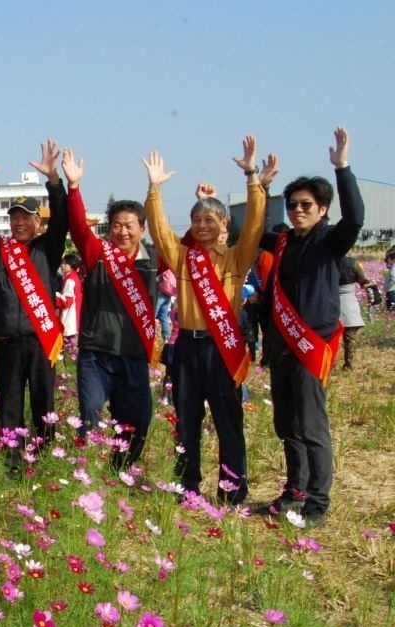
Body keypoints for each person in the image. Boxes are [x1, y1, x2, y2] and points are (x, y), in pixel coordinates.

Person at [143, 135, 275, 505]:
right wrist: (154, 189)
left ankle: (231, 490)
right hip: (186, 347)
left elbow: (254, 225)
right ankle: (187, 486)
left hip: (221, 349)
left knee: (228, 421)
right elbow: (158, 231)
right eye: (196, 219)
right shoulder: (183, 256)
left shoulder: (236, 257)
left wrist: (252, 178)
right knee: (186, 421)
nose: (202, 225)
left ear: (223, 224)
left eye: (210, 219)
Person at [258, 127, 363, 527]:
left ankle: (317, 500)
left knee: (311, 424)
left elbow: (355, 217)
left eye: (305, 204)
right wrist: (258, 183)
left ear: (321, 209)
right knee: (286, 423)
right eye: (291, 205)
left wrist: (342, 168)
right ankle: (294, 491)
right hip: (281, 347)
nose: (297, 210)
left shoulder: (330, 242)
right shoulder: (284, 242)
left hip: (311, 346)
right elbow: (253, 229)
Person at [0, 143, 69, 452]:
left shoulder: (47, 250)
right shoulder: (1, 252)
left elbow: (63, 218)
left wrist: (54, 179)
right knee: (9, 407)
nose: (20, 222)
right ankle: (12, 459)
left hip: (40, 342)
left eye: (26, 217)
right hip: (8, 343)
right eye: (15, 217)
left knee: (44, 406)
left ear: (38, 222)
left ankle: (45, 457)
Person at [62, 148, 158, 471]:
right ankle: (83, 470)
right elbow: (78, 229)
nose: (123, 232)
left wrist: (154, 191)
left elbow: (174, 240)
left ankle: (118, 472)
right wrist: (73, 188)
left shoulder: (151, 265)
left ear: (142, 230)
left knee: (138, 420)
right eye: (117, 225)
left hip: (132, 356)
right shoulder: (97, 256)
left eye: (130, 226)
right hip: (96, 353)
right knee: (89, 412)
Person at [336, 256, 366, 371]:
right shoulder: (354, 263)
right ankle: (349, 364)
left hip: (331, 303)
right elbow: (363, 280)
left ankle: (327, 364)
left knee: (329, 337)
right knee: (350, 338)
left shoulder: (327, 263)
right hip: (349, 304)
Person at [55, 253, 82, 361]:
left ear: (72, 265)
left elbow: (66, 301)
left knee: (65, 338)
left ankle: (63, 359)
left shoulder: (70, 280)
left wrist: (54, 294)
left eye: (65, 263)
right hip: (73, 314)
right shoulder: (74, 277)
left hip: (68, 315)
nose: (62, 265)